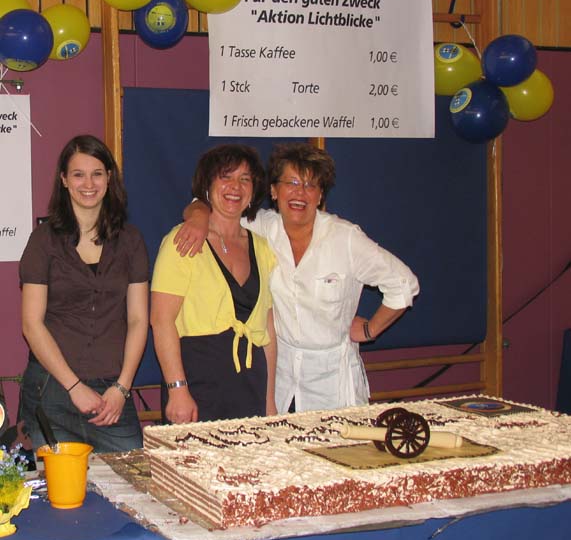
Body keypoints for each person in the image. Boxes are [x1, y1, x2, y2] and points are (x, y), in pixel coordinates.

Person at [175, 143, 420, 413]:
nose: (299, 193)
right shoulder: (261, 228)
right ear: (273, 191)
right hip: (280, 379)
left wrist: (369, 330)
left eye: (310, 185)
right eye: (291, 182)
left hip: (333, 384)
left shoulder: (345, 238)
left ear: (320, 195)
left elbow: (404, 284)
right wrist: (197, 218)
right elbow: (208, 205)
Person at [19, 135, 149, 453]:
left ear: (109, 178)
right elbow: (32, 324)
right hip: (52, 390)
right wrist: (74, 386)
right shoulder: (43, 241)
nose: (88, 184)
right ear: (64, 180)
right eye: (78, 174)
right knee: (56, 485)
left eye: (97, 174)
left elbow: (138, 319)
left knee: (133, 480)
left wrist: (122, 388)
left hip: (112, 396)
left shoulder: (130, 241)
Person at [150, 144, 277, 424]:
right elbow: (161, 320)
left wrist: (269, 400)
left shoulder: (263, 248)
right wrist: (177, 389)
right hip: (196, 384)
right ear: (207, 186)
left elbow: (267, 328)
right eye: (225, 176)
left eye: (245, 179)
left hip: (250, 385)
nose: (235, 187)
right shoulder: (182, 241)